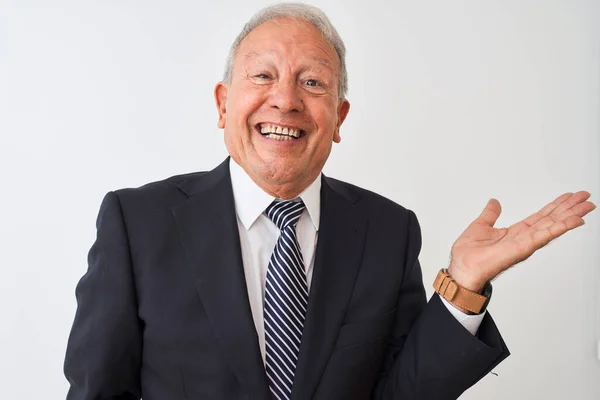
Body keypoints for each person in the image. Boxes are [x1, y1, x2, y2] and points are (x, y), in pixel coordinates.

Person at [63, 3, 596, 400]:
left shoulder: (388, 232)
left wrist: (463, 286)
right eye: (263, 75)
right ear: (224, 104)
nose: (286, 100)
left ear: (338, 118)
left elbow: (401, 393)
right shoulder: (138, 224)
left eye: (312, 82)